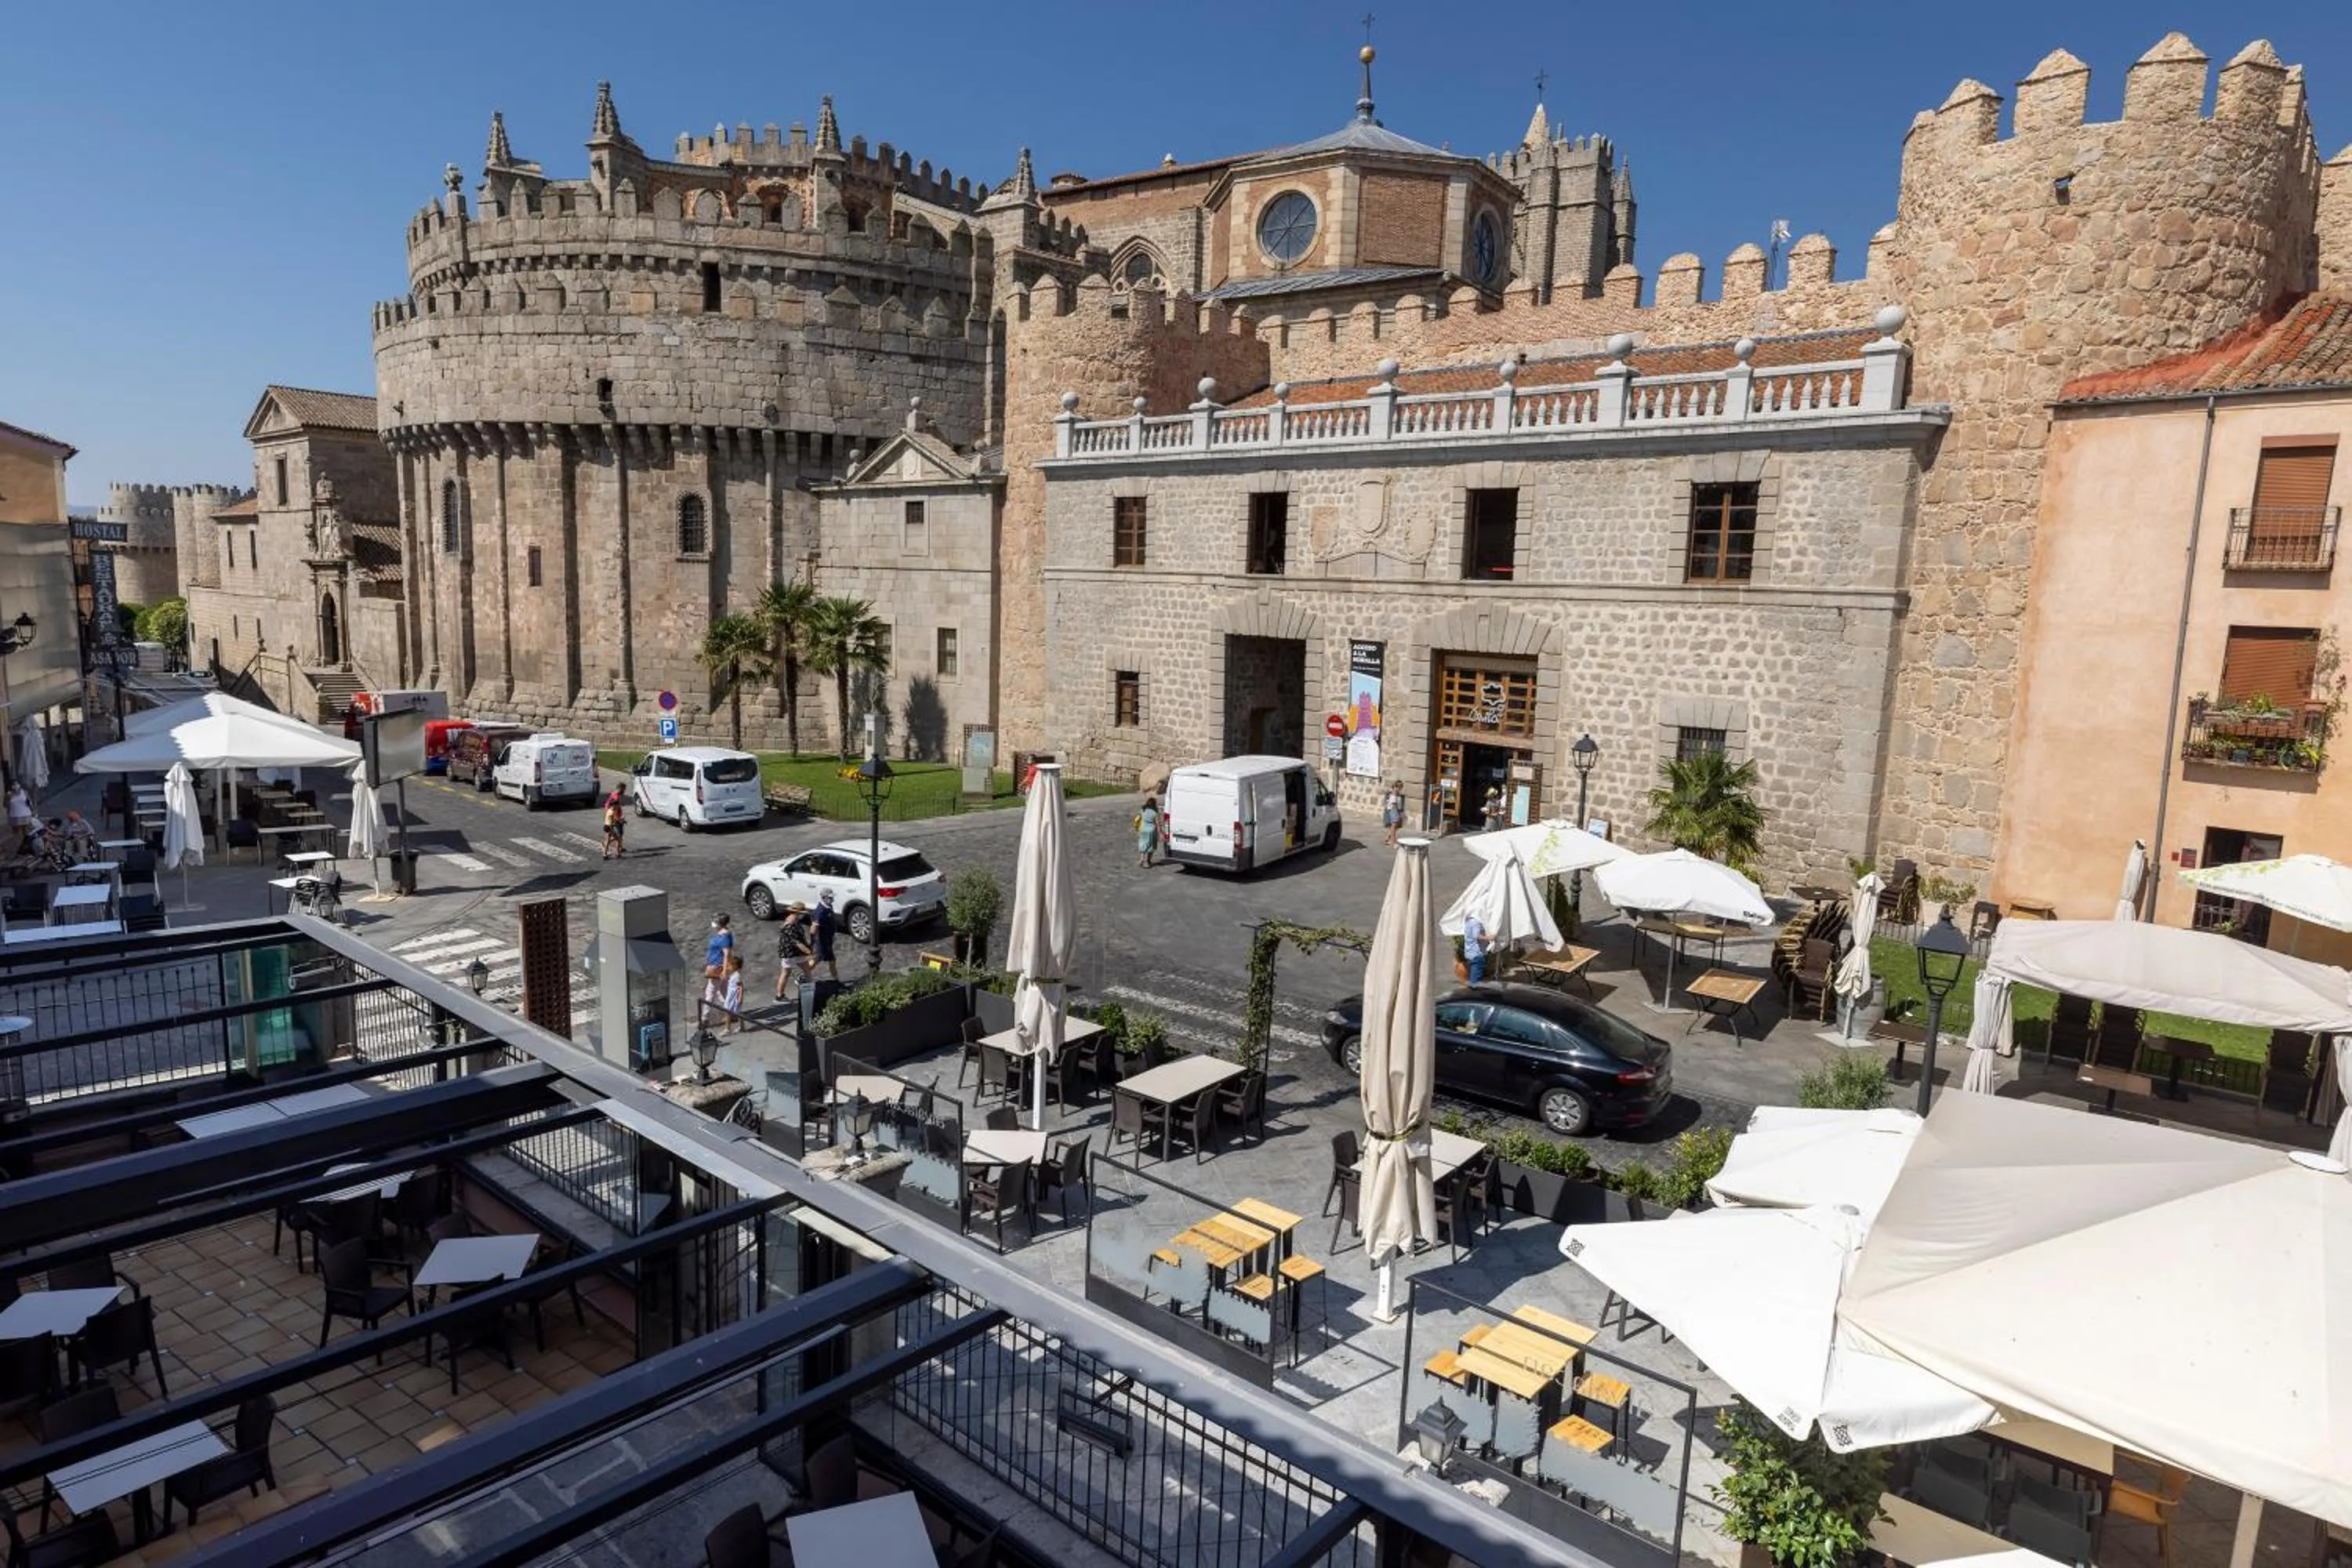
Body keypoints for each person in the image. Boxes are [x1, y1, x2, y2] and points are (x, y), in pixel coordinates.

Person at [775, 904, 815, 1002]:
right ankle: (779, 996)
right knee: (786, 973)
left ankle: (810, 990)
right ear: (797, 913)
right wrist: (808, 952)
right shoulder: (791, 924)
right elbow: (797, 942)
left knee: (806, 969)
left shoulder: (793, 920)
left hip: (794, 952)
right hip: (790, 953)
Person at [812, 890, 840, 982]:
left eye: (832, 897)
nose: (832, 899)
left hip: (828, 940)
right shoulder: (820, 912)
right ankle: (803, 975)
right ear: (823, 898)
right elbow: (814, 929)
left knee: (832, 960)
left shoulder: (829, 907)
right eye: (830, 898)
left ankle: (836, 980)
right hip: (822, 942)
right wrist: (815, 942)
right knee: (816, 959)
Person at [719, 951, 746, 1034]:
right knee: (729, 1011)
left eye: (729, 966)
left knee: (736, 1012)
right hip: (730, 996)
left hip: (735, 997)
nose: (728, 967)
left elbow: (741, 987)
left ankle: (733, 1028)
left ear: (735, 966)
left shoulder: (737, 976)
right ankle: (729, 1028)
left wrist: (740, 997)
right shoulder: (733, 974)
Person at [1461, 913, 1489, 986]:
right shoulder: (1475, 922)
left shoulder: (1468, 922)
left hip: (1470, 952)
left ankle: (1472, 987)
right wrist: (1489, 938)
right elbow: (1477, 936)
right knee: (1476, 981)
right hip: (1477, 953)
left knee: (1473, 975)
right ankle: (1474, 989)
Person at [601, 786, 627, 859]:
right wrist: (622, 820)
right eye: (617, 806)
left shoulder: (609, 810)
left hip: (606, 826)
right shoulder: (613, 812)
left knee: (610, 839)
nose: (618, 807)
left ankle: (605, 854)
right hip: (611, 827)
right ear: (614, 805)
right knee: (618, 839)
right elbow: (615, 820)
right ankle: (618, 854)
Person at [1135, 795, 1161, 868]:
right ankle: (1147, 861)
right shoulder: (1155, 813)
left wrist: (1137, 828)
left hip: (1142, 829)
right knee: (1150, 846)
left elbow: (1137, 819)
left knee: (1143, 844)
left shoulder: (1142, 810)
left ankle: (1141, 859)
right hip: (1151, 831)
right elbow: (1158, 824)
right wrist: (1160, 833)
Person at [5, 783, 31, 855]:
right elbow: (5, 805)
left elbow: (29, 802)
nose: (15, 786)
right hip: (14, 816)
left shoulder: (24, 792)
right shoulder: (9, 794)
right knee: (16, 833)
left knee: (26, 832)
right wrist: (9, 800)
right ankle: (19, 848)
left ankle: (27, 847)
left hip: (25, 815)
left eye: (16, 784)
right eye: (13, 785)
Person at [1381, 781, 1404, 848]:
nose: (1401, 789)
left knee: (1395, 826)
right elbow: (1394, 803)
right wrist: (1398, 812)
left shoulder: (1397, 793)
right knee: (1394, 827)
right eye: (1400, 787)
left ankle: (1387, 838)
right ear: (1397, 787)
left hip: (1395, 810)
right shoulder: (1394, 793)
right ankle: (1393, 842)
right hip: (1394, 810)